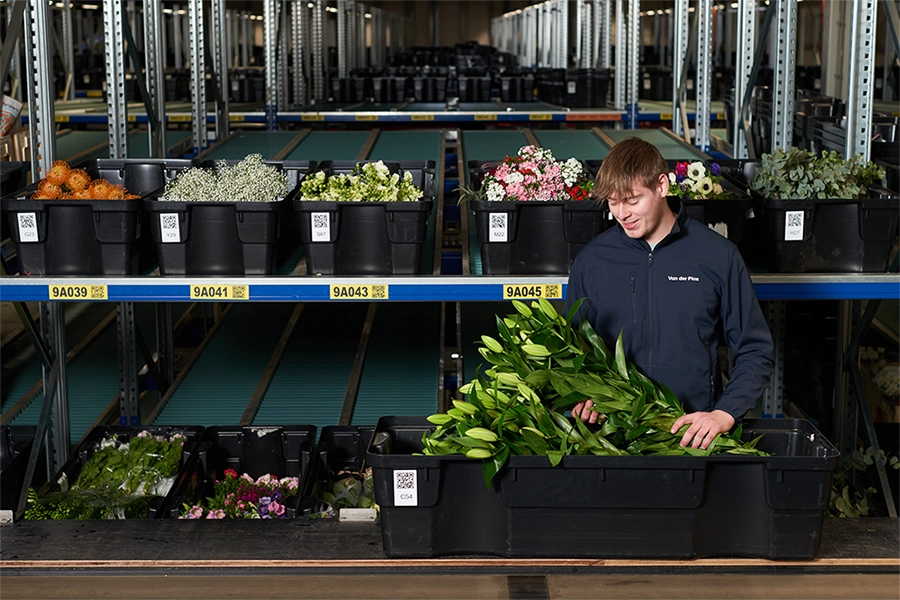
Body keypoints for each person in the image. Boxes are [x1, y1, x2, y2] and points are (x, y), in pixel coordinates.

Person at [565, 137, 774, 450]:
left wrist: (723, 414)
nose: (621, 213)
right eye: (612, 202)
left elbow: (754, 348)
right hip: (615, 438)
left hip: (693, 435)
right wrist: (581, 396)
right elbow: (574, 350)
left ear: (662, 185)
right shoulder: (592, 261)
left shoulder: (716, 255)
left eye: (632, 200)